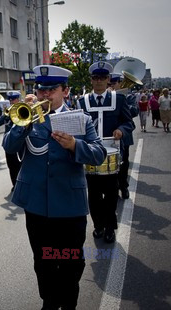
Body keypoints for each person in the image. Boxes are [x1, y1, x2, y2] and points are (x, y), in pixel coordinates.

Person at [3, 65, 106, 310]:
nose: (45, 95)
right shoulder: (28, 116)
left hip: (69, 205)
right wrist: (22, 124)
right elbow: (9, 147)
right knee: (43, 260)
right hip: (37, 204)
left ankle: (68, 301)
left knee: (72, 261)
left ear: (65, 91)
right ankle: (49, 301)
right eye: (41, 90)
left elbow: (99, 153)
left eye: (51, 90)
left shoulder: (81, 119)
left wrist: (73, 146)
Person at [78, 61, 134, 243]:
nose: (99, 81)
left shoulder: (119, 99)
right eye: (96, 78)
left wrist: (121, 130)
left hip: (112, 156)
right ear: (92, 80)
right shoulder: (82, 101)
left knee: (111, 195)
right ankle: (98, 225)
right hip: (91, 155)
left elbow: (129, 123)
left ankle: (110, 227)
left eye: (103, 77)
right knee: (93, 195)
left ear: (108, 79)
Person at [108, 73, 138, 200]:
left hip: (124, 138)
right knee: (111, 166)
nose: (112, 86)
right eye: (110, 84)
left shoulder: (128, 97)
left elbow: (134, 111)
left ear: (120, 83)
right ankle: (113, 188)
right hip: (110, 137)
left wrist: (122, 101)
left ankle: (123, 187)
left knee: (123, 164)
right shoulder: (107, 97)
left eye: (114, 84)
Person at [0, 90, 23, 193]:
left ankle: (22, 184)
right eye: (10, 100)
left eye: (14, 99)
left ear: (18, 99)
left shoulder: (22, 109)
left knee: (21, 164)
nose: (12, 101)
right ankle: (15, 185)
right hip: (9, 142)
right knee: (11, 165)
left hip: (21, 142)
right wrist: (5, 115)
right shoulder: (7, 111)